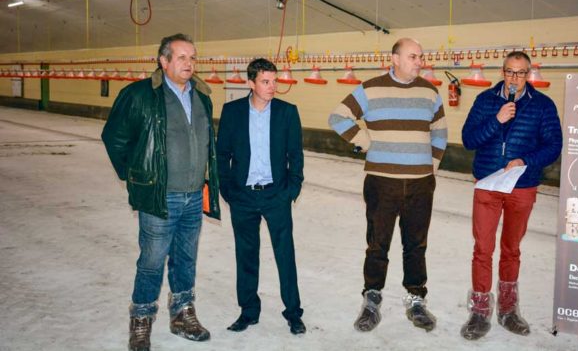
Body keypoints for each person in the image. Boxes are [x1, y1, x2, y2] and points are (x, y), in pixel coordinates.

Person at [101, 33, 220, 351]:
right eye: (181, 57)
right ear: (163, 61)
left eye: (192, 57)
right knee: (152, 261)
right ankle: (141, 321)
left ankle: (183, 314)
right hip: (160, 195)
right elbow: (114, 137)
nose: (189, 63)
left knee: (186, 259)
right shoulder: (140, 95)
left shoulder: (202, 96)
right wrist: (137, 175)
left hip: (194, 195)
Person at [328, 38, 448, 333]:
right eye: (412, 56)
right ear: (394, 58)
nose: (419, 62)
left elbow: (440, 132)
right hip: (382, 183)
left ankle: (416, 299)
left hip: (420, 185)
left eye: (421, 56)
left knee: (416, 245)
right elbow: (338, 116)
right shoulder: (370, 89)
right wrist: (367, 142)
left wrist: (428, 168)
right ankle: (372, 299)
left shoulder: (430, 92)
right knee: (377, 244)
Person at [460, 50, 562, 340]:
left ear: (528, 74)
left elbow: (554, 145)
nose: (515, 78)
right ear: (502, 72)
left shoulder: (542, 105)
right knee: (482, 248)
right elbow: (468, 140)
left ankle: (508, 310)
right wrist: (497, 119)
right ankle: (479, 312)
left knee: (511, 249)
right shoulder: (485, 101)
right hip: (488, 185)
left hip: (522, 185)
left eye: (521, 73)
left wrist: (525, 160)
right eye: (510, 72)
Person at [216, 58, 306, 335]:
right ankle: (248, 311)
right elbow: (222, 154)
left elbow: (296, 156)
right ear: (250, 83)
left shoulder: (287, 112)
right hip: (243, 196)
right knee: (246, 254)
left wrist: (291, 189)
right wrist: (228, 190)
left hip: (275, 195)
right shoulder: (232, 112)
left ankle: (293, 312)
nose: (272, 87)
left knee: (284, 254)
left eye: (274, 81)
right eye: (265, 81)